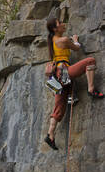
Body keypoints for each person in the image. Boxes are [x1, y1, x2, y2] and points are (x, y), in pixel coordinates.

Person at [44, 18, 104, 150]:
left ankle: (50, 134)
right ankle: (91, 89)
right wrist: (76, 40)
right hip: (63, 71)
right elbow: (76, 48)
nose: (63, 24)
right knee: (90, 61)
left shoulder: (52, 41)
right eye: (60, 23)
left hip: (57, 75)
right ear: (55, 28)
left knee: (59, 107)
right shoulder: (63, 40)